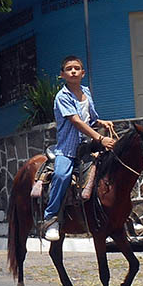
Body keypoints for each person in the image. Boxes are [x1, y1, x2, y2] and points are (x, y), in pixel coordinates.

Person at [41, 55, 115, 242]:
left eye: (76, 68)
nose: (73, 71)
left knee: (112, 166)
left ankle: (115, 216)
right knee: (62, 175)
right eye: (68, 69)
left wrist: (101, 122)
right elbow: (76, 121)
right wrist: (100, 138)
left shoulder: (86, 92)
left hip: (88, 145)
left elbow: (89, 119)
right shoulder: (62, 97)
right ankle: (51, 218)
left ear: (83, 72)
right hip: (68, 148)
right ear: (62, 74)